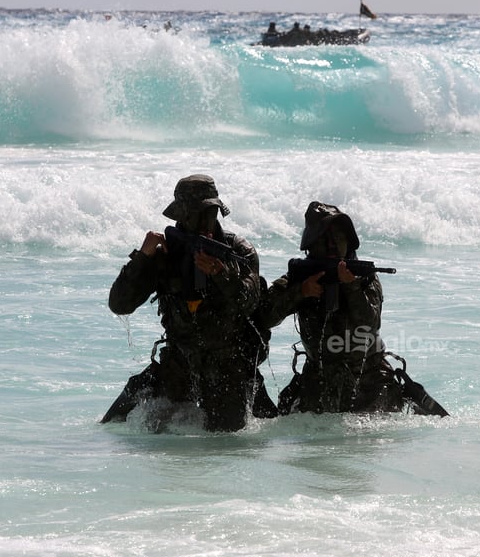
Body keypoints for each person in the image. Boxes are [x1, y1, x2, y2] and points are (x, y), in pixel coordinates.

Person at [100, 174, 277, 431]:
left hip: (228, 371)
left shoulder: (237, 251)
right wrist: (143, 258)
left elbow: (249, 302)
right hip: (178, 365)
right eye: (195, 214)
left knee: (227, 444)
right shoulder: (166, 254)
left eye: (209, 213)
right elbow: (119, 304)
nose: (203, 220)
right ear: (180, 216)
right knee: (111, 424)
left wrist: (221, 274)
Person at [261, 201, 448, 416]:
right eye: (325, 239)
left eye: (338, 238)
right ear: (311, 244)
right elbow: (263, 317)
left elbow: (369, 323)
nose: (333, 246)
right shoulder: (299, 277)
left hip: (370, 383)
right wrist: (300, 292)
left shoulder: (365, 278)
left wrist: (351, 287)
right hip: (318, 382)